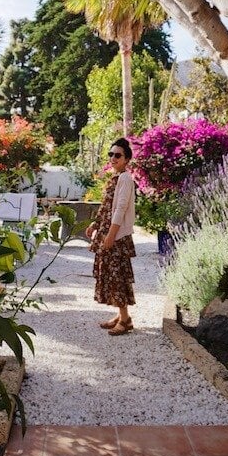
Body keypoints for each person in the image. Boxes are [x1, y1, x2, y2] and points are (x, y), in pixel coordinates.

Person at [85, 137, 136, 336]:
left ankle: (124, 321)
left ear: (126, 159)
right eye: (111, 154)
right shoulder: (115, 177)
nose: (113, 158)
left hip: (116, 235)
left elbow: (121, 209)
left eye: (118, 155)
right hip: (107, 231)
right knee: (111, 274)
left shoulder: (125, 178)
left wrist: (111, 236)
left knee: (117, 276)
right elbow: (106, 206)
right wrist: (96, 224)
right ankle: (123, 316)